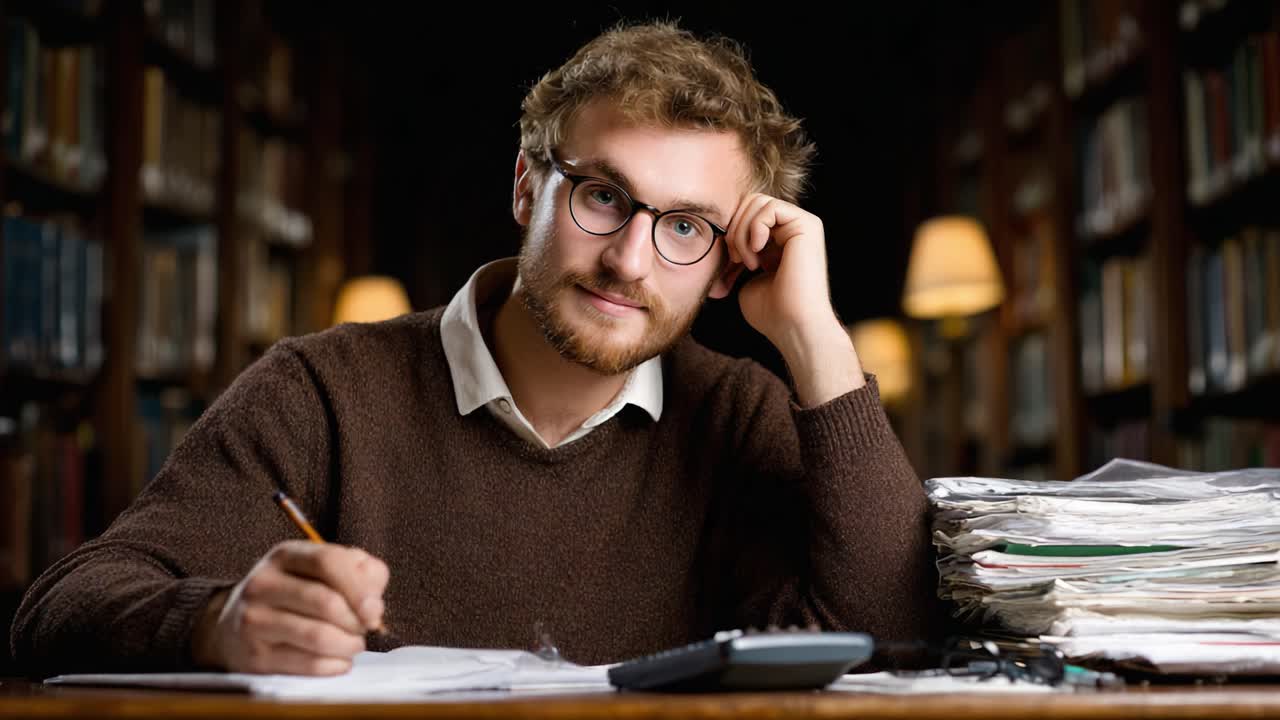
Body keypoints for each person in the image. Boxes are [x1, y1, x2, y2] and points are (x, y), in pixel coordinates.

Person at [11, 20, 938, 677]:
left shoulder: (740, 416)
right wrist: (215, 625)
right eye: (603, 196)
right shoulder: (323, 392)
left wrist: (814, 338)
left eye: (687, 227)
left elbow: (895, 635)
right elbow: (60, 608)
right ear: (528, 188)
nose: (627, 259)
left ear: (728, 265)